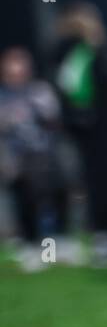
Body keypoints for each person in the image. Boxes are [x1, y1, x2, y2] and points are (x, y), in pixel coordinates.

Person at [53, 2, 107, 263]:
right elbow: (95, 88)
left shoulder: (88, 54)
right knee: (100, 183)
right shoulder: (78, 55)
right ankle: (105, 239)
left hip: (106, 129)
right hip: (95, 132)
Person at [0, 47, 68, 271]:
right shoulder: (3, 97)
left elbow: (54, 119)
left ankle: (59, 246)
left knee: (55, 197)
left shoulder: (39, 90)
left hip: (45, 154)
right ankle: (31, 249)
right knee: (26, 202)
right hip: (16, 158)